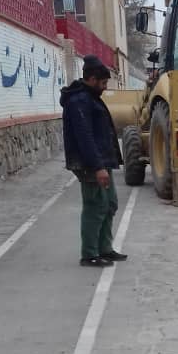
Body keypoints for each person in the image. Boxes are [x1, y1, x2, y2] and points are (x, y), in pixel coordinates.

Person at [61, 55, 126, 268]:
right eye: (103, 82)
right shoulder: (78, 101)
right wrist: (98, 167)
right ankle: (89, 254)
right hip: (89, 164)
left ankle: (104, 248)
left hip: (101, 161)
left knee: (110, 204)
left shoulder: (90, 97)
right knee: (95, 205)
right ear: (91, 79)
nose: (105, 87)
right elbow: (85, 137)